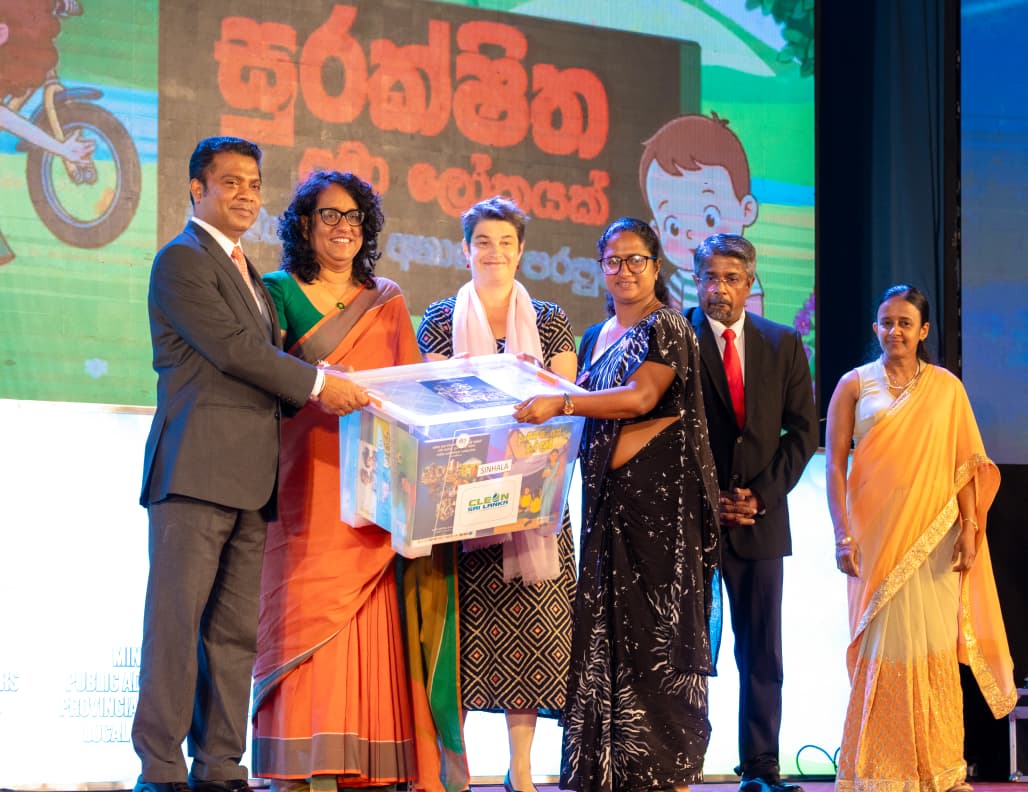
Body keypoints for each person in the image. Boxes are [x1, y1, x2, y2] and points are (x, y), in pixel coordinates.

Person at [133, 138, 367, 792]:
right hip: (194, 474)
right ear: (196, 188)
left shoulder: (251, 274)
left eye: (255, 184)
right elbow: (236, 351)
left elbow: (267, 360)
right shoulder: (182, 260)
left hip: (252, 481)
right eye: (231, 181)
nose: (246, 194)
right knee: (175, 627)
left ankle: (219, 767)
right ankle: (160, 770)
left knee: (234, 636)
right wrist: (319, 384)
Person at [515, 217, 721, 792]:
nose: (624, 271)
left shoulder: (668, 326)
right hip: (608, 509)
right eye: (613, 261)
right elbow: (586, 406)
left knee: (656, 640)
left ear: (655, 267)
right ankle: (608, 770)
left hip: (661, 518)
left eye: (636, 260)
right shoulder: (594, 337)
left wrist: (561, 402)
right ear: (601, 268)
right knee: (608, 634)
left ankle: (666, 774)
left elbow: (640, 398)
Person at [250, 170, 424, 792]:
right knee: (300, 608)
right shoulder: (276, 292)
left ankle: (361, 765)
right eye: (330, 215)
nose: (344, 227)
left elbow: (411, 390)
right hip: (303, 483)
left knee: (367, 614)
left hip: (372, 492)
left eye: (354, 217)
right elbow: (263, 373)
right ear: (304, 224)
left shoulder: (386, 299)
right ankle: (298, 765)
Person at [825, 284, 1016, 792]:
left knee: (932, 647)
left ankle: (939, 769)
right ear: (876, 328)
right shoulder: (853, 385)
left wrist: (970, 528)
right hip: (875, 538)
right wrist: (842, 535)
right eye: (887, 322)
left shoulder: (946, 389)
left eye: (905, 323)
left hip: (936, 539)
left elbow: (964, 465)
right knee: (883, 645)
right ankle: (877, 768)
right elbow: (835, 466)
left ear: (924, 330)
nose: (895, 331)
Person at [416, 196, 577, 792]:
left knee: (533, 635)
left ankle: (522, 770)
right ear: (465, 250)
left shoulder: (552, 320)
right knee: (459, 638)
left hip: (535, 497)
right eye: (483, 241)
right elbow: (438, 404)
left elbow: (562, 400)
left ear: (521, 251)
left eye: (506, 242)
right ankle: (452, 766)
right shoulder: (439, 318)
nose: (494, 252)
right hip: (464, 497)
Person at [683, 233, 817, 792]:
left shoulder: (783, 342)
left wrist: (760, 495)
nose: (720, 289)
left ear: (750, 282)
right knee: (683, 649)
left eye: (731, 278)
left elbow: (803, 432)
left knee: (761, 650)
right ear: (696, 281)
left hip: (761, 523)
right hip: (691, 522)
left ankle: (760, 768)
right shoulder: (675, 337)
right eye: (710, 277)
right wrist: (708, 496)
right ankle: (678, 762)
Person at [639, 113, 763, 314]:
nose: (690, 233)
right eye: (673, 226)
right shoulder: (679, 284)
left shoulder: (745, 279)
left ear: (747, 210)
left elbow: (756, 325)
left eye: (710, 218)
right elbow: (673, 324)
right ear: (657, 231)